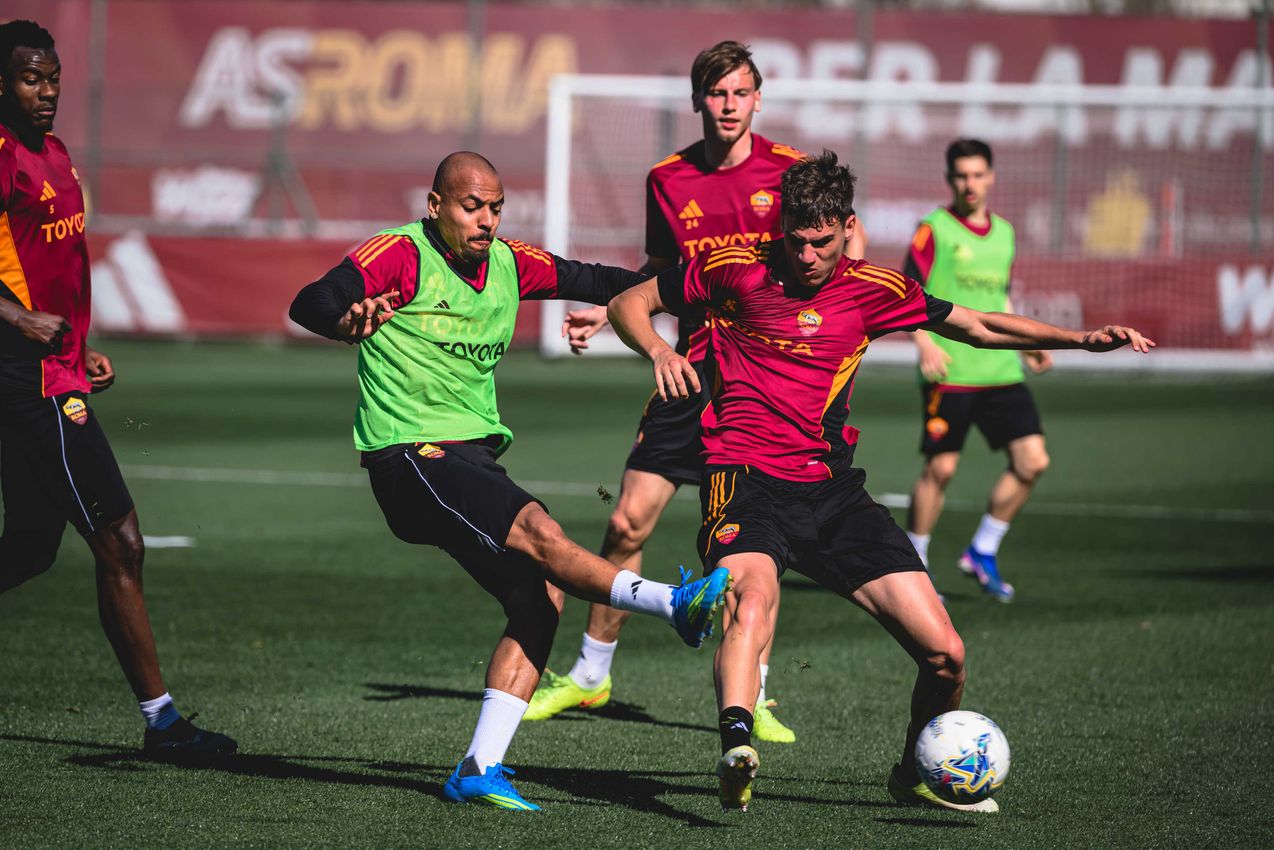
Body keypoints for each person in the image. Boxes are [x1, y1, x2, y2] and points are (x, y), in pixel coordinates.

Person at [606, 150, 1153, 813]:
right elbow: (630, 302)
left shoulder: (874, 289)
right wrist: (660, 349)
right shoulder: (735, 269)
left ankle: (914, 774)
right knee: (751, 599)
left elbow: (975, 327)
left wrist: (1080, 339)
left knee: (946, 654)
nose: (806, 256)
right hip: (744, 478)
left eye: (822, 243)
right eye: (797, 241)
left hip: (834, 492)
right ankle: (736, 744)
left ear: (848, 228)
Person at [288, 151, 731, 812]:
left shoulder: (510, 262)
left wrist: (690, 290)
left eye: (496, 207)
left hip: (469, 459)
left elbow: (596, 276)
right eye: (472, 206)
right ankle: (672, 604)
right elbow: (312, 300)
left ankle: (478, 767)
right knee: (538, 529)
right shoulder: (400, 255)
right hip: (408, 455)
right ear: (435, 204)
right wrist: (342, 320)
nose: (487, 220)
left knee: (539, 597)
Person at [531, 40, 865, 744]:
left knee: (761, 544)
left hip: (769, 383)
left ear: (758, 98)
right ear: (697, 101)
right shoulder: (667, 178)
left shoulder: (794, 173)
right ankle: (591, 676)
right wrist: (611, 307)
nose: (729, 106)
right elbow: (659, 269)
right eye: (717, 94)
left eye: (741, 93)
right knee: (626, 521)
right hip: (690, 371)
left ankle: (759, 695)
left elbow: (842, 255)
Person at [0, 20, 235, 754]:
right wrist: (17, 319)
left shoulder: (58, 155)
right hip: (27, 381)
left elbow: (54, 266)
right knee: (121, 542)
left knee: (34, 548)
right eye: (32, 79)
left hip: (57, 366)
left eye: (54, 78)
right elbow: (17, 293)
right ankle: (162, 723)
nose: (47, 93)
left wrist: (79, 340)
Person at [903, 139, 1049, 602]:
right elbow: (906, 291)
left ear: (991, 177)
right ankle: (915, 566)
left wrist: (1029, 345)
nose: (970, 183)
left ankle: (982, 549)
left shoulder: (1004, 233)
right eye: (961, 175)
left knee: (1033, 462)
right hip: (951, 369)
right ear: (950, 179)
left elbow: (1000, 298)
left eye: (977, 174)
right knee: (941, 470)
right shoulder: (934, 230)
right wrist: (923, 340)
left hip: (1001, 368)